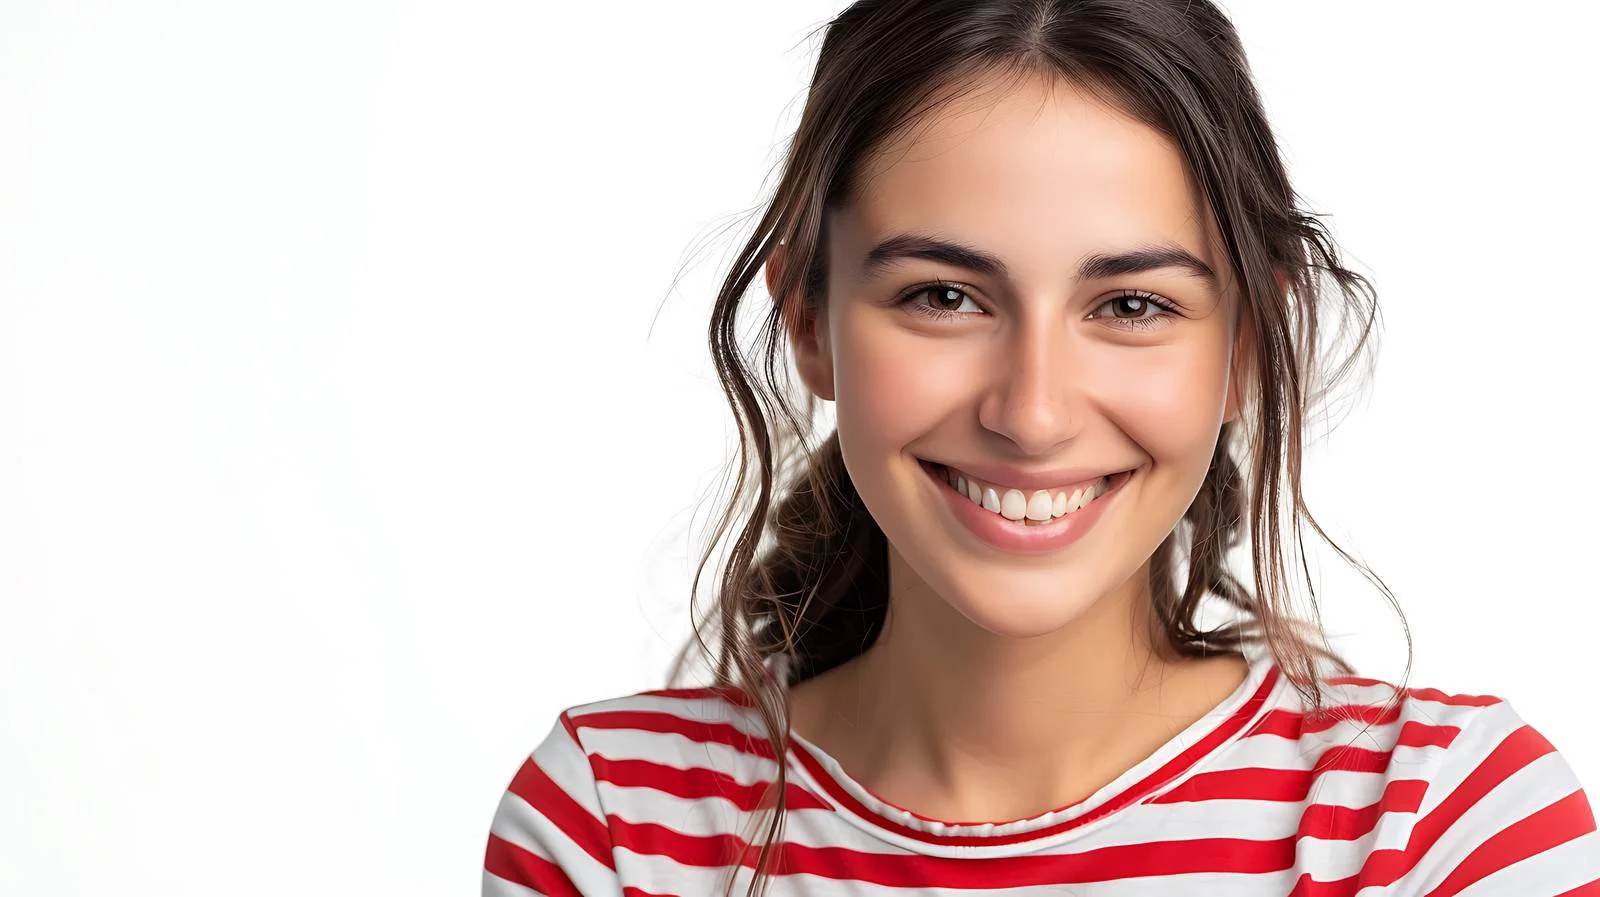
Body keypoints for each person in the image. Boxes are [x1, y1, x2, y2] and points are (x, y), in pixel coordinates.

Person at [483, 1, 1600, 894]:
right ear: (810, 323)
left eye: (1130, 307)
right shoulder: (617, 825)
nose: (1033, 412)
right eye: (944, 295)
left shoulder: (1440, 824)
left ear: (1248, 342)